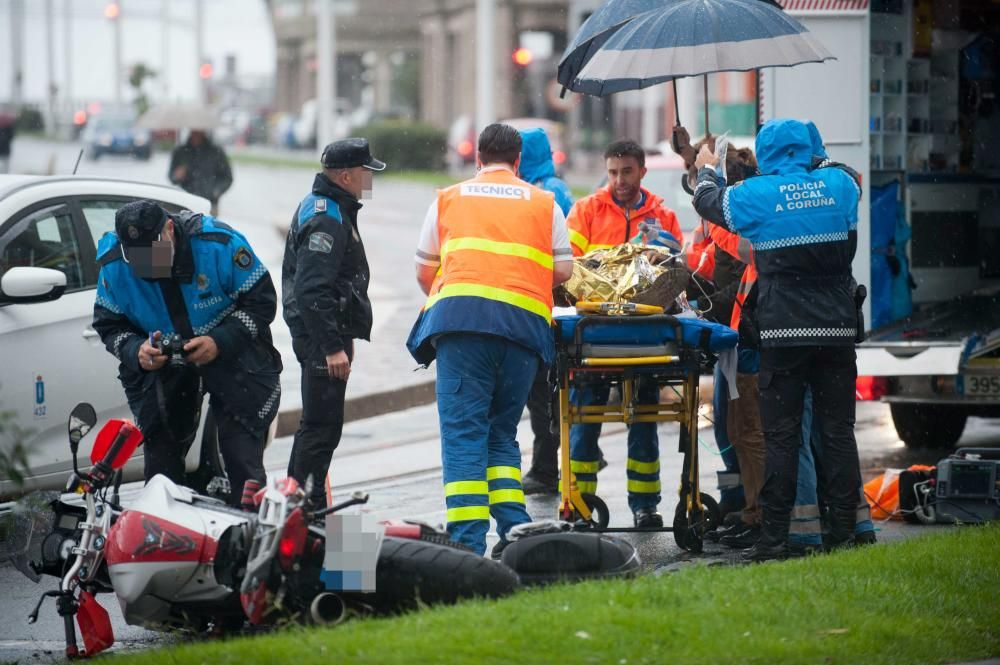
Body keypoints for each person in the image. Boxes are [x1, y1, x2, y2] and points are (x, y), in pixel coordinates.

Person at [693, 118, 865, 561]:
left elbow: (708, 202)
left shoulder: (757, 195)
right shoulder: (841, 185)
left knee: (782, 437)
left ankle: (774, 539)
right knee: (838, 433)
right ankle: (846, 533)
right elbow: (841, 172)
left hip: (783, 332)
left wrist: (709, 167)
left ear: (767, 156)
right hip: (838, 330)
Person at [407, 123, 574, 557]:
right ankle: (514, 530)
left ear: (477, 158)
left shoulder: (449, 198)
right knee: (502, 434)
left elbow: (425, 269)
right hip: (523, 333)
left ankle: (466, 545)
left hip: (462, 329)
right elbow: (564, 271)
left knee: (464, 434)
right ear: (519, 162)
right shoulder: (545, 203)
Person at [92, 200, 282, 507]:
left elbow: (263, 303)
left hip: (234, 358)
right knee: (161, 472)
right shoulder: (115, 263)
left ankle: (250, 536)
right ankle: (167, 536)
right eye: (137, 256)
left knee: (243, 461)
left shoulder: (218, 244)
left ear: (169, 229)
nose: (147, 263)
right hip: (164, 368)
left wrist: (219, 341)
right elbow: (108, 325)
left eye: (153, 251)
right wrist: (134, 350)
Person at [565, 140, 685, 528]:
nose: (619, 180)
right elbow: (569, 270)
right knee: (584, 421)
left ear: (642, 172)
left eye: (627, 172)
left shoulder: (662, 216)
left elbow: (674, 274)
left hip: (644, 336)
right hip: (595, 334)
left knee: (644, 419)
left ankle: (646, 506)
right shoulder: (585, 211)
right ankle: (580, 505)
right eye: (613, 172)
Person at [283, 138, 384, 509]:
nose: (370, 180)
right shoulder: (328, 216)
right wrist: (332, 347)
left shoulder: (330, 206)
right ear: (345, 176)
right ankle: (304, 510)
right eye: (365, 172)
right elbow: (312, 290)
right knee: (321, 429)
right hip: (320, 339)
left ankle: (296, 502)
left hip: (323, 334)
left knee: (316, 426)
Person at [517, 127, 575, 496]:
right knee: (548, 391)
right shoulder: (555, 187)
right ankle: (557, 457)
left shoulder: (542, 192)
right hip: (553, 301)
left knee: (543, 391)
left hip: (544, 303)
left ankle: (544, 467)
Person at [169, 129, 233, 216]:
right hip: (185, 201)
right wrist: (177, 176)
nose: (196, 134)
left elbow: (227, 177)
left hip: (210, 203)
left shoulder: (216, 152)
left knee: (208, 228)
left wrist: (216, 191)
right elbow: (172, 177)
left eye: (199, 131)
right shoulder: (181, 152)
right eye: (194, 130)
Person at [0, 109, 15, 174]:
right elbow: (11, 136)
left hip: (5, 148)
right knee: (5, 164)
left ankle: (4, 174)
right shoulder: (9, 127)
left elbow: (11, 136)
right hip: (5, 148)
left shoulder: (9, 127)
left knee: (5, 164)